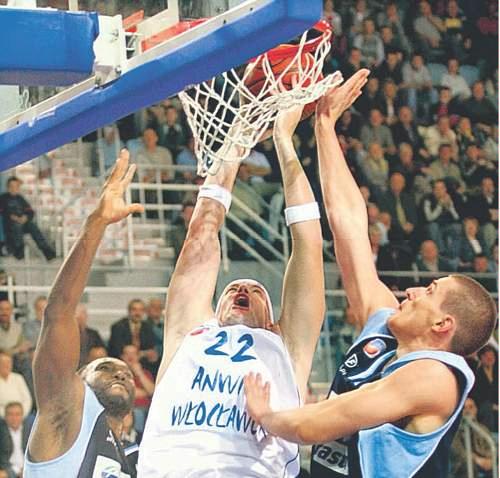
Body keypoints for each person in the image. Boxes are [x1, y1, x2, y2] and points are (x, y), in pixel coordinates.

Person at [243, 70, 497, 478]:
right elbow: (349, 226)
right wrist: (325, 127)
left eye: (430, 291)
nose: (413, 291)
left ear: (442, 325)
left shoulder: (435, 377)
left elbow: (318, 423)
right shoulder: (385, 327)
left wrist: (266, 414)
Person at [138, 103, 326, 476]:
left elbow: (308, 244)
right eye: (233, 288)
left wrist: (283, 142)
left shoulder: (286, 346)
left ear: (272, 321)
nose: (240, 286)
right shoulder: (190, 333)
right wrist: (237, 138)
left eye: (256, 291)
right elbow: (201, 234)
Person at [23, 151, 142, 477]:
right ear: (79, 378)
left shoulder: (132, 458)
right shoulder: (65, 407)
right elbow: (59, 312)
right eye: (105, 368)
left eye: (126, 374)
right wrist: (97, 223)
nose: (121, 375)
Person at [0, 177, 55, 261]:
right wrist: (12, 216)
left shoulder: (20, 198)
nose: (14, 188)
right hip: (11, 225)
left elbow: (30, 211)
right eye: (11, 186)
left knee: (32, 226)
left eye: (16, 186)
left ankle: (47, 252)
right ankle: (18, 252)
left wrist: (25, 217)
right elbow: (2, 210)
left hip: (23, 222)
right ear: (8, 187)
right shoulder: (3, 198)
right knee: (17, 226)